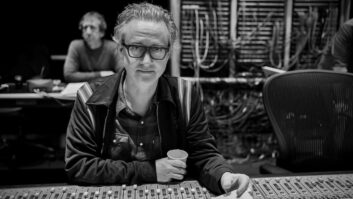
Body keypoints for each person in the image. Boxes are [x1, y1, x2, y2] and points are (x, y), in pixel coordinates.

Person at [65, 2, 250, 197]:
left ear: (168, 53)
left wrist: (225, 177)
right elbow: (78, 165)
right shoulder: (89, 98)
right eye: (136, 48)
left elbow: (203, 154)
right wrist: (151, 171)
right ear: (120, 50)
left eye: (157, 49)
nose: (146, 61)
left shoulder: (186, 94)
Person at [63, 11, 121, 82]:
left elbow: (123, 73)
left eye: (92, 27)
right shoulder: (76, 45)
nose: (88, 32)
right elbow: (68, 75)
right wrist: (99, 74)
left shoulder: (112, 47)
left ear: (101, 33)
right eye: (85, 28)